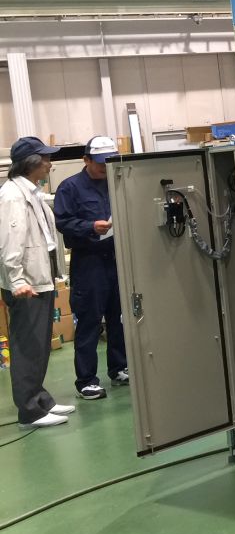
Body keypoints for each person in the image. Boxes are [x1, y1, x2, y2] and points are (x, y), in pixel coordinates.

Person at [0, 137, 75, 428]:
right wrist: (17, 279)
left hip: (39, 279)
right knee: (27, 347)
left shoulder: (31, 191)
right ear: (30, 162)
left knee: (39, 345)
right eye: (45, 159)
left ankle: (41, 400)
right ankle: (30, 412)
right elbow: (10, 242)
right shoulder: (12, 196)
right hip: (26, 284)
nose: (49, 164)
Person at [54, 136, 127, 400]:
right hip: (89, 262)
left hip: (117, 259)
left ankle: (119, 368)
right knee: (89, 321)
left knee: (119, 317)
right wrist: (90, 227)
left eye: (108, 162)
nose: (104, 168)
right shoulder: (70, 188)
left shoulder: (116, 182)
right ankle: (86, 380)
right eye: (99, 163)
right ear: (86, 160)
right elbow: (63, 222)